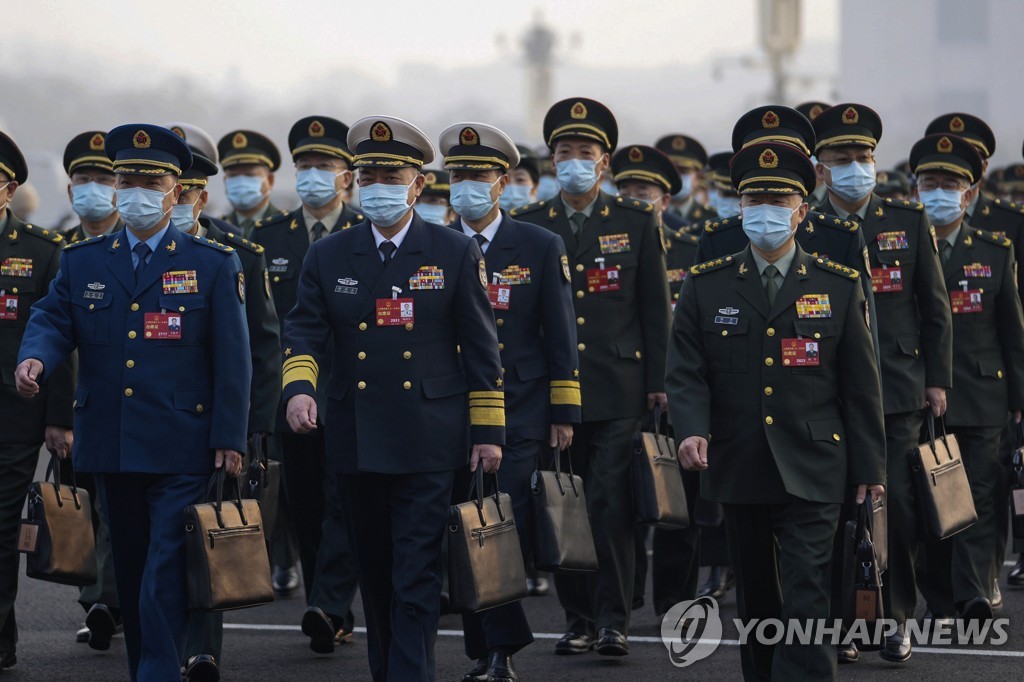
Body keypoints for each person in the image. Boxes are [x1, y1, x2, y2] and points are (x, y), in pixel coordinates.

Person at [15, 124, 251, 682]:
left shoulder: (213, 263)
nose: (135, 193)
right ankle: (151, 664)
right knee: (134, 563)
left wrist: (230, 439)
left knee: (164, 566)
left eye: (150, 182)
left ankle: (155, 672)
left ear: (175, 191)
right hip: (112, 439)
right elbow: (52, 318)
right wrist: (36, 359)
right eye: (126, 181)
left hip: (181, 444)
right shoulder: (85, 260)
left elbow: (235, 360)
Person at [282, 115, 504, 682]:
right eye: (369, 174)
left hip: (430, 437)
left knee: (416, 573)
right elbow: (304, 332)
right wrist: (300, 390)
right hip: (356, 436)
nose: (378, 184)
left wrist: (488, 434)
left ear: (418, 185)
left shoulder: (451, 252)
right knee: (376, 574)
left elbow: (482, 349)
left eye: (392, 174)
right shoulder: (329, 255)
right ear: (354, 182)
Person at [668, 140, 885, 681]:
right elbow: (687, 370)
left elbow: (861, 386)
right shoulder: (706, 283)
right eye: (755, 199)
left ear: (802, 210)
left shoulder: (837, 285)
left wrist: (870, 469)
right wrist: (691, 429)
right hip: (739, 459)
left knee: (808, 589)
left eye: (779, 199)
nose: (767, 210)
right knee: (758, 598)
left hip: (815, 461)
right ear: (740, 209)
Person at [510, 97, 670, 657]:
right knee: (562, 503)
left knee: (609, 503)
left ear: (604, 163)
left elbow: (655, 309)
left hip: (618, 386)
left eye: (586, 152)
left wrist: (659, 381)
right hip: (554, 391)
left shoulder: (634, 221)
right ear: (552, 161)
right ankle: (576, 616)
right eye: (564, 152)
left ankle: (612, 617)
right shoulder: (529, 226)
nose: (575, 161)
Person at [810, 103, 953, 664]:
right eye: (842, 159)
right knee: (834, 510)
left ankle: (893, 619)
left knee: (892, 508)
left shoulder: (908, 221)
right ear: (820, 169)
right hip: (824, 391)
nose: (855, 167)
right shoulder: (807, 224)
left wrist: (937, 379)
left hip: (897, 389)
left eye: (863, 157)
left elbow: (935, 310)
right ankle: (844, 621)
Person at [439, 121, 580, 682]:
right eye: (458, 176)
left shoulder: (540, 245)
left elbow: (560, 331)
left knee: (503, 521)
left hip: (520, 405)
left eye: (478, 175)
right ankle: (486, 647)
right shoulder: (436, 243)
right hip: (452, 406)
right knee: (469, 523)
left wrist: (564, 412)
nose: (467, 185)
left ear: (501, 183)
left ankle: (501, 648)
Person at [166, 122, 282, 682]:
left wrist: (250, 431)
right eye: (168, 185)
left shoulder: (237, 254)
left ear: (200, 195)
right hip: (147, 419)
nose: (175, 198)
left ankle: (202, 649)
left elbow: (262, 349)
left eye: (185, 188)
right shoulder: (112, 253)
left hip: (213, 425)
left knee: (206, 536)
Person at [251, 115, 363, 655]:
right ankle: (327, 603)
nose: (312, 175)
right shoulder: (268, 237)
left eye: (324, 166)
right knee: (305, 502)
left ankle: (330, 601)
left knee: (345, 497)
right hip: (289, 391)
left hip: (353, 391)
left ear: (347, 176)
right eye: (305, 166)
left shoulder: (366, 231)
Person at [910, 132, 1024, 624]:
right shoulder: (897, 245)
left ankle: (973, 593)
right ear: (916, 189)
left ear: (971, 192)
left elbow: (1012, 333)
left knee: (977, 494)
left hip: (981, 394)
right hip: (915, 394)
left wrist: (1019, 399)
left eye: (950, 183)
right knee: (930, 499)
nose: (939, 192)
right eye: (929, 182)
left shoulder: (995, 250)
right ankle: (939, 596)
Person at [609, 143, 702, 617]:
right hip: (627, 385)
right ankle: (626, 596)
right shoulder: (611, 244)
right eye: (624, 188)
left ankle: (674, 600)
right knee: (625, 499)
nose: (632, 197)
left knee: (677, 502)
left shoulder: (691, 247)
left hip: (680, 389)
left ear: (665, 200)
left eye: (642, 190)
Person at [0, 130, 73, 675]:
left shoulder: (41, 250)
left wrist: (58, 417)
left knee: (2, 527)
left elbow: (62, 338)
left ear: (8, 191)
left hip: (14, 413)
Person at [58, 129, 125, 651]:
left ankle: (108, 600)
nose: (94, 189)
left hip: (121, 401)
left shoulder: (133, 248)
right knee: (82, 506)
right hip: (71, 402)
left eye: (105, 179)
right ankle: (97, 600)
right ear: (69, 189)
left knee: (113, 505)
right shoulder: (61, 249)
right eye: (85, 179)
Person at [217, 129, 282, 237]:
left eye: (250, 175)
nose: (241, 182)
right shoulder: (217, 229)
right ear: (225, 181)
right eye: (233, 176)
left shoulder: (287, 226)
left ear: (270, 180)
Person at [62, 131, 123, 244]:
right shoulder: (56, 247)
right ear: (70, 192)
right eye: (83, 179)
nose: (92, 187)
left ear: (121, 190)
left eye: (103, 179)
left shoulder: (139, 244)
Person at [654, 134, 714, 228]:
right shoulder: (652, 213)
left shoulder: (711, 218)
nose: (677, 176)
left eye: (683, 171)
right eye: (671, 171)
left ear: (697, 177)